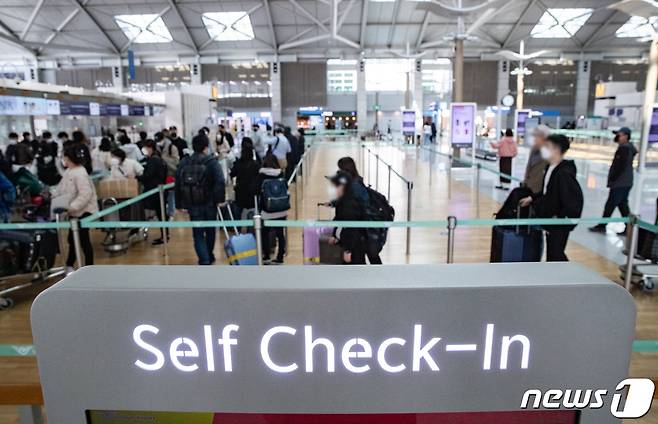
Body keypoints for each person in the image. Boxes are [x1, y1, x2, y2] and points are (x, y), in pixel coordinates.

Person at [519, 134, 584, 262]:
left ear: (556, 149)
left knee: (556, 254)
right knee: (553, 254)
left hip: (558, 223)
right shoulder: (550, 168)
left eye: (547, 147)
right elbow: (548, 193)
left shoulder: (564, 173)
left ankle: (567, 277)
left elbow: (573, 201)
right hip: (550, 221)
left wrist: (560, 220)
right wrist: (533, 198)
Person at [175, 134, 225, 265]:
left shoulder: (185, 162)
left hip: (192, 203)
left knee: (197, 233)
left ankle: (204, 259)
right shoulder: (211, 162)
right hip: (209, 202)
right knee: (210, 231)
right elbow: (220, 181)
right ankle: (209, 255)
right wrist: (220, 199)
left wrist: (179, 203)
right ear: (206, 146)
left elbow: (178, 183)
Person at [55, 145, 99, 273]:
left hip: (83, 212)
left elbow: (85, 194)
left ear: (69, 158)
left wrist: (71, 207)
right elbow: (61, 188)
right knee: (74, 239)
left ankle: (87, 267)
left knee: (82, 240)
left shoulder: (80, 173)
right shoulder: (70, 171)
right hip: (74, 212)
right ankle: (72, 265)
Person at [589, 127, 638, 235]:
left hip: (620, 182)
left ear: (626, 136)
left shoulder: (624, 148)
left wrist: (613, 179)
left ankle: (602, 226)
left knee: (610, 205)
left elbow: (620, 166)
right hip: (625, 181)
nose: (617, 137)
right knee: (622, 205)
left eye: (619, 135)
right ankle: (629, 228)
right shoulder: (627, 148)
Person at [336, 156, 382, 265]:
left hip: (358, 234)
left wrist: (347, 249)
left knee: (359, 262)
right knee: (371, 256)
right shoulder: (356, 182)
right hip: (364, 230)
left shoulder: (352, 189)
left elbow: (350, 219)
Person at [327, 170, 368, 265]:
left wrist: (348, 250)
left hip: (354, 247)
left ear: (343, 187)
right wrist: (335, 235)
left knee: (355, 273)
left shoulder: (350, 204)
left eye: (336, 186)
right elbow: (340, 220)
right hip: (346, 243)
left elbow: (352, 229)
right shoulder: (344, 200)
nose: (334, 189)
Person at [256, 152, 287, 264]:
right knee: (280, 234)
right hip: (281, 209)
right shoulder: (281, 174)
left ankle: (267, 255)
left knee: (264, 233)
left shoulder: (261, 175)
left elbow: (256, 190)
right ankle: (280, 257)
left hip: (266, 210)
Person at [138, 140, 168, 245]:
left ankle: (164, 236)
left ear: (150, 148)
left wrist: (137, 177)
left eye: (145, 148)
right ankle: (164, 236)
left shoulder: (153, 160)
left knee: (161, 214)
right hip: (160, 189)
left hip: (155, 191)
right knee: (161, 214)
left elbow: (148, 176)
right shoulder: (158, 159)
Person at [230, 137, 260, 219]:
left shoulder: (238, 163)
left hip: (240, 191)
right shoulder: (255, 164)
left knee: (238, 210)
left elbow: (232, 174)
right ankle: (253, 227)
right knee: (254, 210)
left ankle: (237, 227)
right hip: (252, 192)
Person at [523, 125, 551, 194]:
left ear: (544, 137)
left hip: (539, 192)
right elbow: (529, 167)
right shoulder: (533, 150)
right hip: (528, 187)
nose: (534, 138)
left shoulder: (549, 152)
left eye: (536, 136)